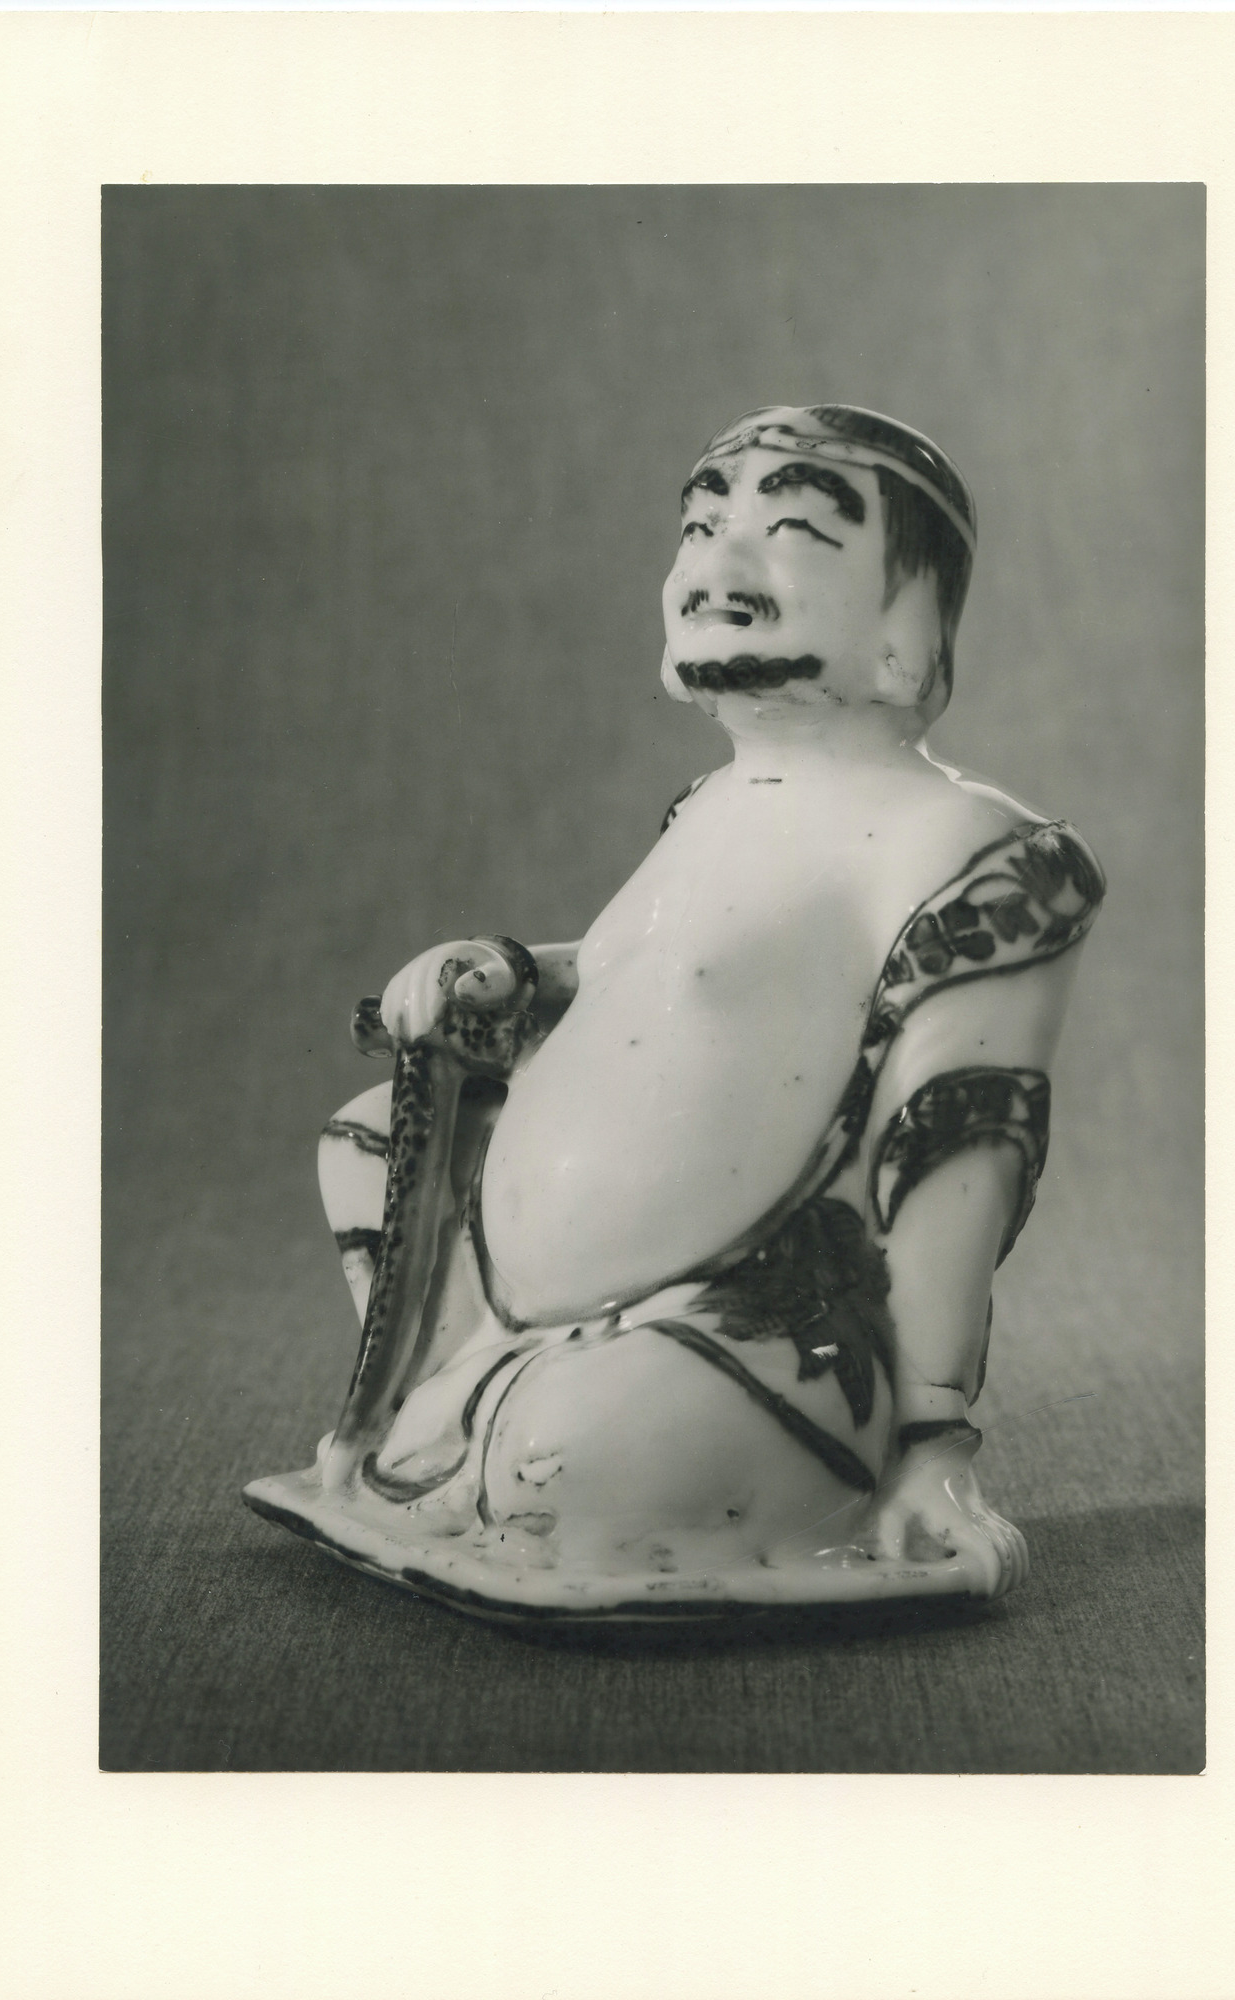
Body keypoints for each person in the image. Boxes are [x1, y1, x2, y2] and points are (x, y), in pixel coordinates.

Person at [311, 405, 1103, 1602]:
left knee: (564, 1461)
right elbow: (649, 975)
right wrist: (511, 972)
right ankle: (476, 1379)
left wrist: (934, 1445)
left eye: (789, 530)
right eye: (699, 525)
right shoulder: (710, 805)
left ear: (910, 616)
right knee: (362, 1138)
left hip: (743, 1325)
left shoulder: (970, 853)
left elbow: (955, 1151)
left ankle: (593, 1433)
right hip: (528, 1305)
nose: (715, 562)